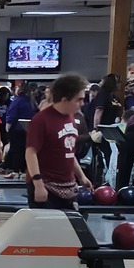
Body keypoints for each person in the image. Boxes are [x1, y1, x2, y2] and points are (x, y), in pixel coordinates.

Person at [26, 73, 93, 210]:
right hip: (46, 184)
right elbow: (30, 153)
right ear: (64, 100)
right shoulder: (41, 120)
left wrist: (81, 176)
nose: (82, 104)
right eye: (78, 100)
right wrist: (38, 184)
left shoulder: (71, 118)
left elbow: (68, 151)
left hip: (67, 184)